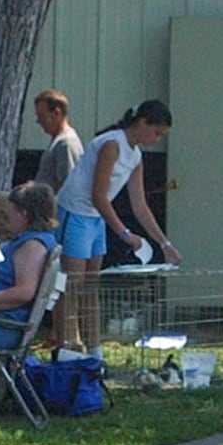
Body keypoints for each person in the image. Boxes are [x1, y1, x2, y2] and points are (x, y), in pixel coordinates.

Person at [53, 99, 179, 353]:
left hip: (95, 219)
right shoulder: (112, 144)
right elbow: (98, 195)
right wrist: (124, 233)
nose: (156, 139)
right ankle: (67, 348)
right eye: (156, 132)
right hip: (77, 213)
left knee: (91, 286)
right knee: (72, 286)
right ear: (142, 122)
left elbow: (139, 205)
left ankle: (94, 351)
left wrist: (164, 244)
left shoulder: (136, 156)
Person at [0, 182, 58, 351]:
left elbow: (24, 292)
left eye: (11, 212)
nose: (8, 217)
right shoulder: (30, 240)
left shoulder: (33, 246)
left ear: (23, 214)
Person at [30, 89, 83, 193]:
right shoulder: (58, 142)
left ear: (56, 113)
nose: (38, 121)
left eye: (41, 116)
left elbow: (68, 187)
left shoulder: (66, 143)